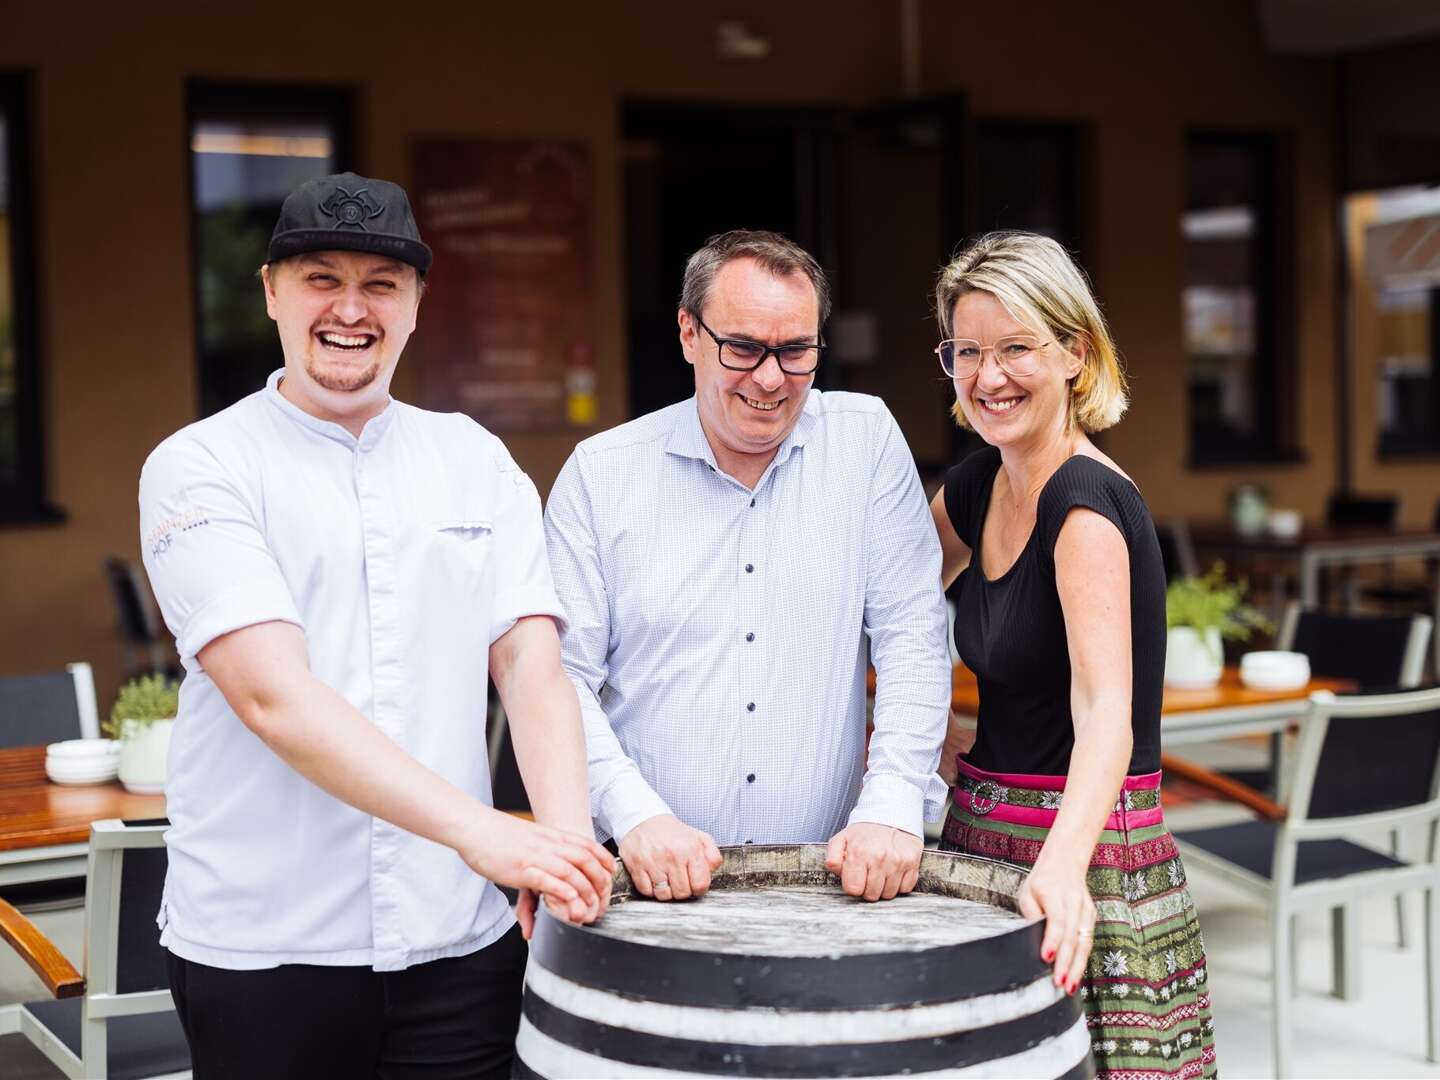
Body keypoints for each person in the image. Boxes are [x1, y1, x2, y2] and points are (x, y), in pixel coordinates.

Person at [138, 172, 613, 1080]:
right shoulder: (201, 466)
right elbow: (273, 697)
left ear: (417, 306)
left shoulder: (472, 456)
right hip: (266, 947)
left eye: (381, 285)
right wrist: (483, 832)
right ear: (271, 292)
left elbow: (531, 665)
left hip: (459, 940)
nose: (350, 309)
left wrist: (559, 849)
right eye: (321, 278)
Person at [544, 229, 951, 905]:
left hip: (836, 882)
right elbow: (560, 679)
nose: (769, 378)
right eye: (743, 348)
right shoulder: (600, 475)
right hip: (645, 882)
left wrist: (892, 802)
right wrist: (635, 814)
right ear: (688, 333)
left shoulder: (865, 442)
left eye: (796, 352)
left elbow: (912, 636)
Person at [928, 231, 1216, 1077]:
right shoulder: (979, 484)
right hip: (978, 843)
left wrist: (1060, 875)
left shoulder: (1085, 505)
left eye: (1017, 348)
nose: (989, 377)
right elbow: (889, 604)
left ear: (1074, 353)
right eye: (968, 352)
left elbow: (1105, 718)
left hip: (1080, 859)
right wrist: (924, 725)